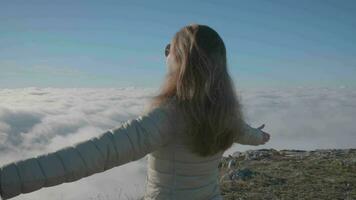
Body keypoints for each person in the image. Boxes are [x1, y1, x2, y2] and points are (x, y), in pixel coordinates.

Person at [0, 23, 270, 200]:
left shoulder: (167, 118)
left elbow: (90, 156)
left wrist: (7, 180)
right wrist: (261, 137)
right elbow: (247, 134)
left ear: (181, 63)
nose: (165, 56)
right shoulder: (226, 114)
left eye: (169, 50)